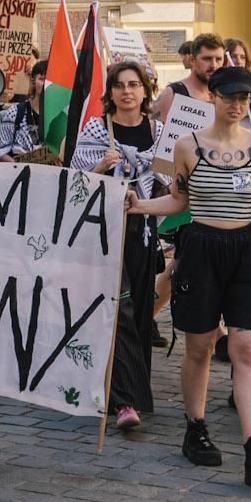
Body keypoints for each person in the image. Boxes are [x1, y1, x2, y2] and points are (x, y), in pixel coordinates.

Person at [128, 65, 251, 488]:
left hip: (246, 253)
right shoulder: (188, 146)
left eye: (243, 98)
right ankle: (195, 426)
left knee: (246, 347)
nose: (236, 105)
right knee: (199, 346)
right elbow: (178, 199)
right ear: (213, 99)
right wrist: (140, 206)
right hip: (201, 250)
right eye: (228, 97)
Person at [70, 61, 161, 429]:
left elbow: (169, 181)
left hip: (143, 229)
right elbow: (74, 182)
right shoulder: (96, 129)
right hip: (105, 232)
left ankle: (135, 390)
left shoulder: (158, 131)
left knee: (140, 310)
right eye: (120, 85)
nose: (127, 92)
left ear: (145, 91)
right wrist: (101, 167)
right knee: (118, 312)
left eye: (134, 85)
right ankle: (122, 401)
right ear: (110, 93)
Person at [155, 33, 225, 122]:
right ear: (192, 60)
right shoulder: (172, 93)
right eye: (207, 59)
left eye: (218, 59)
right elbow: (158, 132)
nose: (214, 65)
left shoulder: (224, 94)